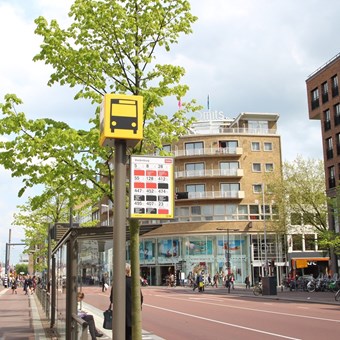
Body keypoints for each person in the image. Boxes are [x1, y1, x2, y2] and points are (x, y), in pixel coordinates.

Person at [110, 263, 143, 340]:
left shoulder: (117, 282)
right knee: (130, 335)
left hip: (119, 315)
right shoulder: (134, 282)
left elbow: (112, 299)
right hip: (131, 314)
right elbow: (140, 297)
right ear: (128, 271)